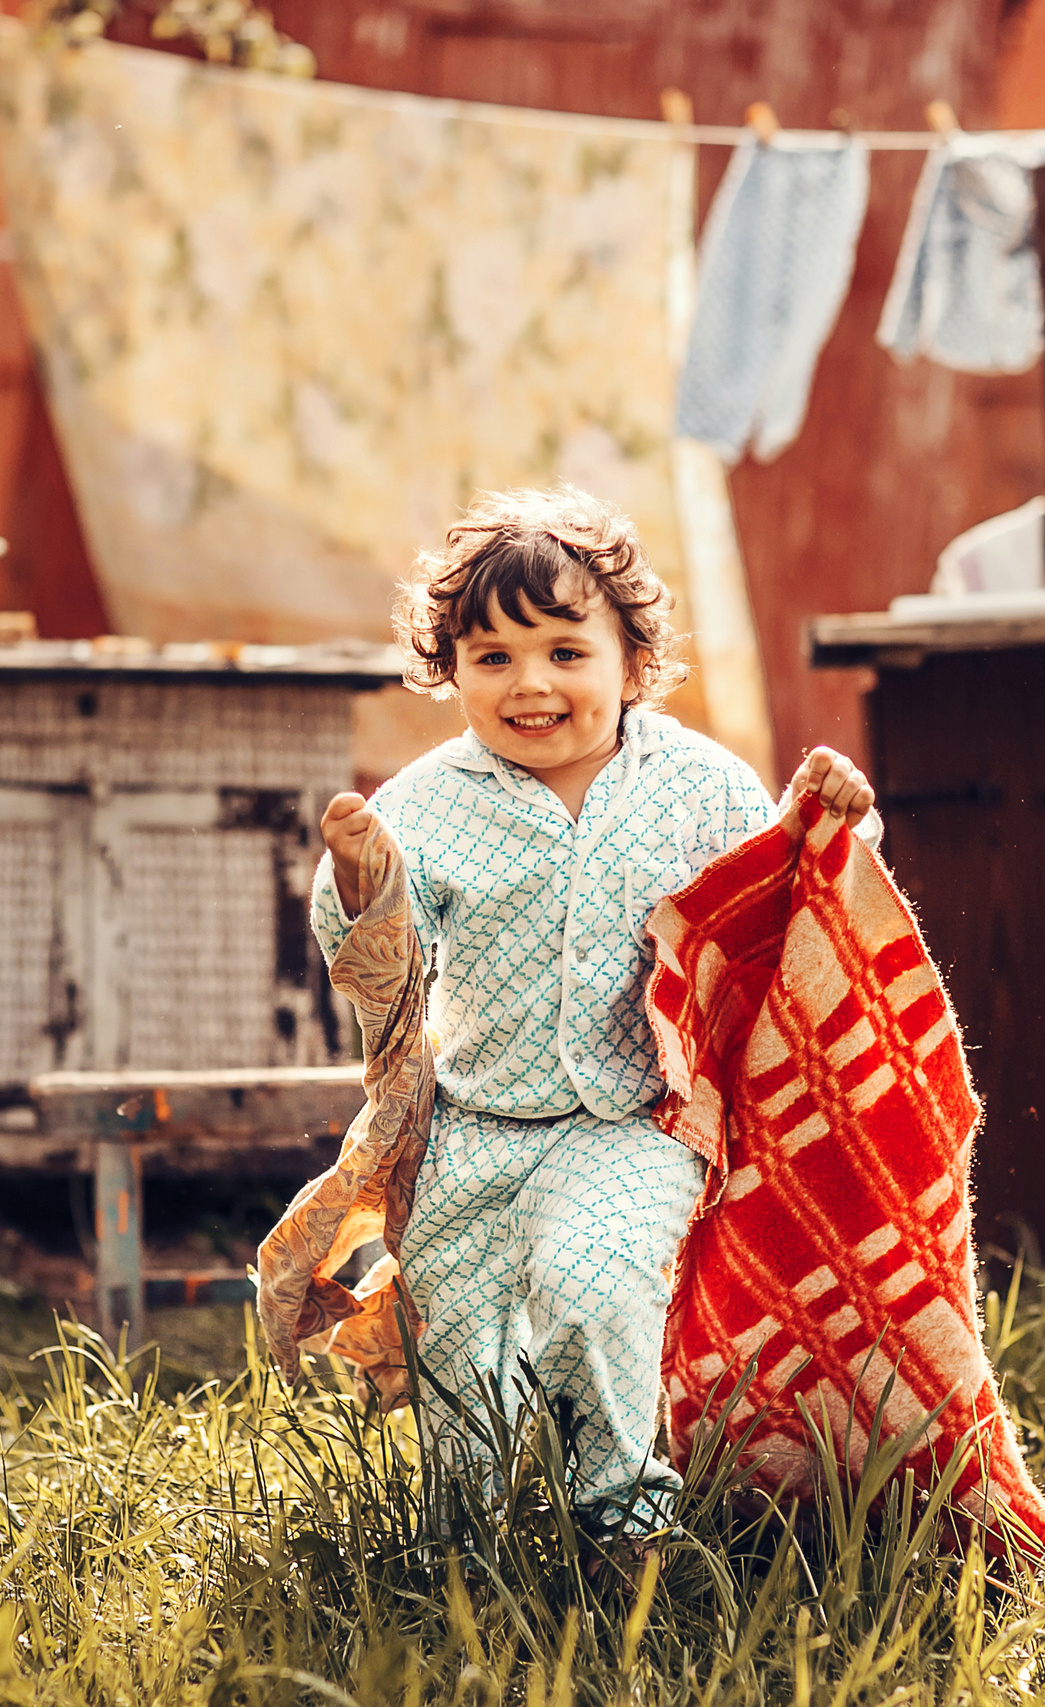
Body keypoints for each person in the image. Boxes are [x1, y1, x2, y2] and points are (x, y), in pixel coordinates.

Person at [311, 484, 877, 1531]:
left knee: (588, 1278)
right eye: (492, 658)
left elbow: (777, 919)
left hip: (633, 1118)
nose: (529, 684)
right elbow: (379, 975)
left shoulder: (701, 785)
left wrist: (830, 831)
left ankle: (619, 1507)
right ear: (453, 673)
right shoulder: (425, 805)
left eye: (566, 653)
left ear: (631, 663)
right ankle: (460, 1526)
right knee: (458, 1329)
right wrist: (360, 888)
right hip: (473, 1125)